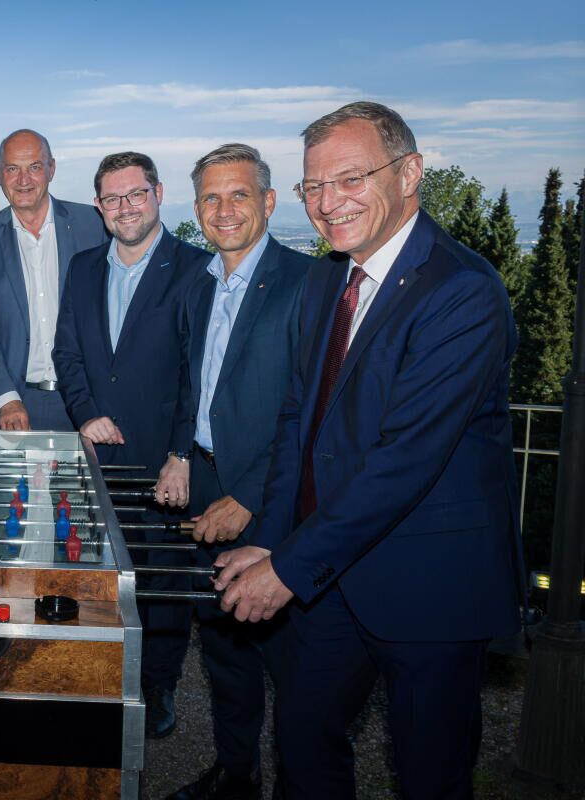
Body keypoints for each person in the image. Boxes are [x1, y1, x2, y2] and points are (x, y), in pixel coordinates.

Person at [215, 101, 524, 799]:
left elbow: (404, 461)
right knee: (302, 742)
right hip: (329, 574)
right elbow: (299, 421)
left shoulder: (463, 290)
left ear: (409, 173)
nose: (329, 203)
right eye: (314, 186)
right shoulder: (329, 276)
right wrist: (270, 540)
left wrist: (287, 568)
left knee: (429, 774)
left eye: (350, 179)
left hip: (429, 581)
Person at [161, 145, 313, 800]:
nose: (224, 210)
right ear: (197, 209)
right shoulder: (198, 284)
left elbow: (313, 412)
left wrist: (249, 497)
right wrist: (181, 455)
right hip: (206, 486)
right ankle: (236, 775)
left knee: (297, 666)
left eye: (239, 194)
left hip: (277, 500)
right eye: (211, 198)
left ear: (269, 202)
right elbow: (193, 388)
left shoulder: (309, 283)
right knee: (223, 648)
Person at [52, 151, 210, 739]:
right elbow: (67, 352)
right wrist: (86, 414)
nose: (125, 207)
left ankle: (159, 684)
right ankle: (101, 675)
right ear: (99, 206)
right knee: (99, 573)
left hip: (165, 460)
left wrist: (182, 453)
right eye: (112, 198)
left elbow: (200, 373)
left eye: (135, 194)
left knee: (164, 580)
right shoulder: (83, 267)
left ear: (158, 194)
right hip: (98, 455)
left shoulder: (196, 268)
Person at [0, 129, 108, 431]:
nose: (23, 180)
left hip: (89, 402)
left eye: (34, 167)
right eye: (12, 169)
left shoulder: (94, 225)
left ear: (51, 169)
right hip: (13, 405)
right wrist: (6, 400)